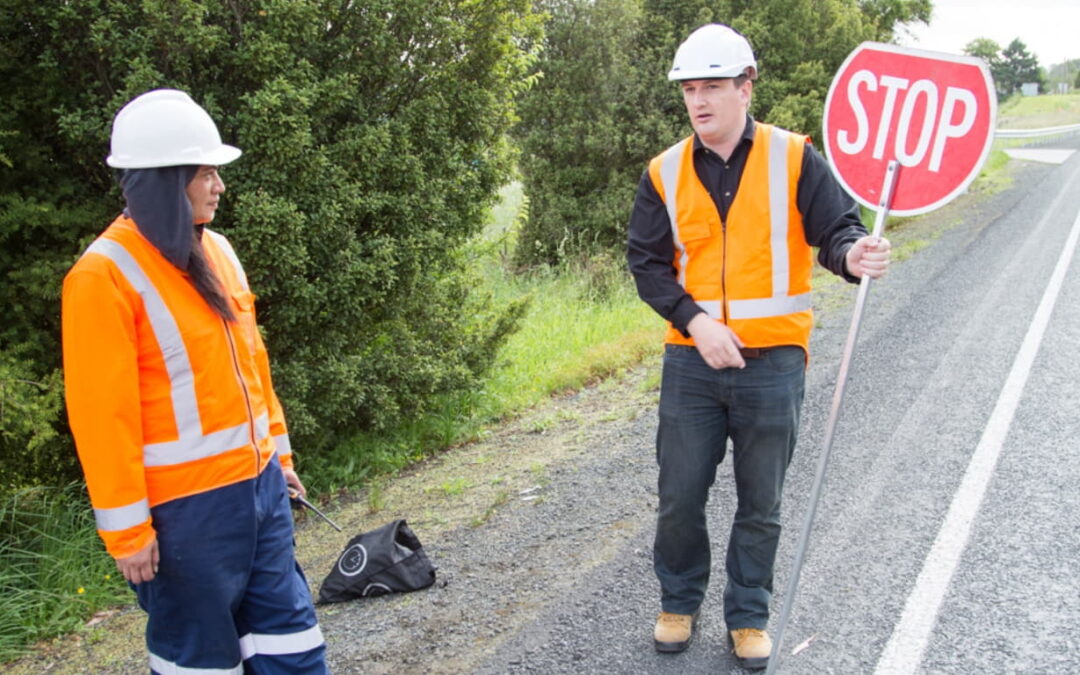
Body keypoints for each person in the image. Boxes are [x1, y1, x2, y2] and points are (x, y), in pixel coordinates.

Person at [626, 24, 890, 669]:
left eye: (713, 86)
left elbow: (837, 232)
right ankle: (677, 604)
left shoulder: (794, 157)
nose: (699, 100)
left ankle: (748, 617)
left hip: (774, 363)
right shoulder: (663, 171)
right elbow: (647, 263)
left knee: (761, 502)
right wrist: (696, 322)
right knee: (680, 495)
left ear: (746, 87)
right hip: (692, 363)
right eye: (690, 89)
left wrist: (855, 254)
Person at [62, 89, 328, 674]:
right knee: (201, 661)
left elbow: (253, 367)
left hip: (259, 491)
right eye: (206, 172)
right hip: (184, 515)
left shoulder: (221, 252)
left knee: (291, 641)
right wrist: (128, 532)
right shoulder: (102, 276)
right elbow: (101, 417)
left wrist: (279, 461)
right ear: (165, 178)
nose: (219, 185)